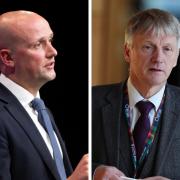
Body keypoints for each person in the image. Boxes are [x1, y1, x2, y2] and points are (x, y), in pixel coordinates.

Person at [92, 8, 180, 180]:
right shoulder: (92, 100)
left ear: (176, 57)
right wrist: (93, 173)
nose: (158, 58)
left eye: (167, 49)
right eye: (148, 47)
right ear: (127, 52)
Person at [0, 10, 88, 180]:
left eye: (50, 40)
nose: (53, 51)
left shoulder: (39, 108)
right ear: (8, 57)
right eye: (38, 44)